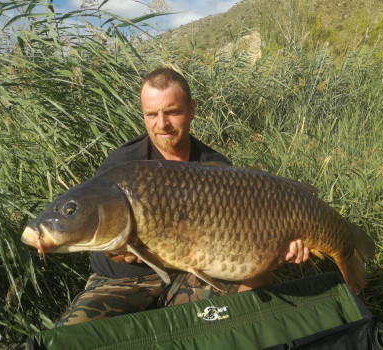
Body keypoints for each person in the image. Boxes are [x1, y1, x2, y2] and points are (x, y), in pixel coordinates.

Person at [55, 67, 309, 327]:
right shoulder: (122, 166)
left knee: (259, 282)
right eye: (151, 114)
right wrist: (120, 252)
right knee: (73, 336)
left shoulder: (216, 166)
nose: (161, 124)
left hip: (193, 275)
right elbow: (95, 230)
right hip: (123, 281)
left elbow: (243, 234)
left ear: (191, 110)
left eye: (172, 112)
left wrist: (280, 247)